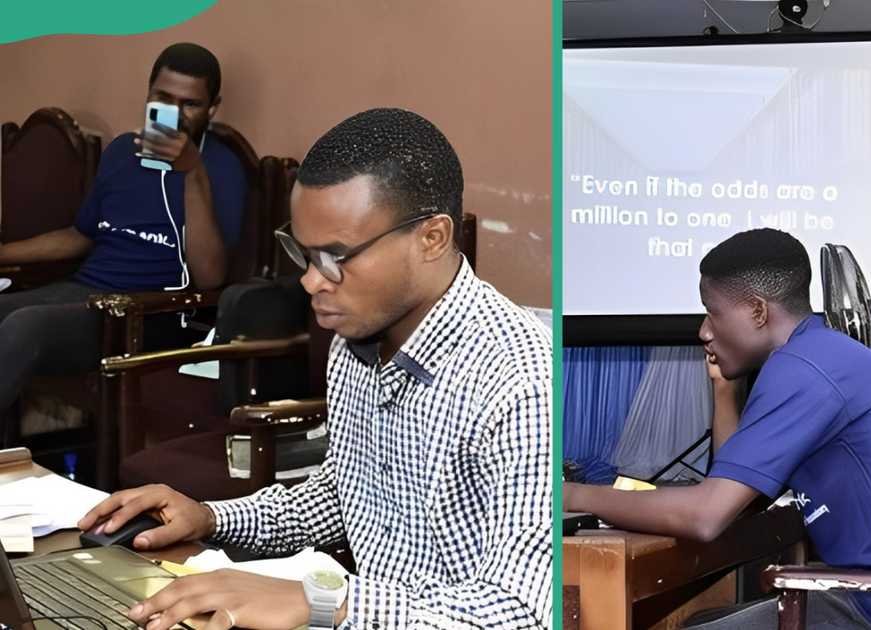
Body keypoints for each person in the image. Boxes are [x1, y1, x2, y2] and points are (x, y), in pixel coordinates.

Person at [79, 108, 552, 629]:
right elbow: (340, 499)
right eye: (303, 254)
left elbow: (523, 614)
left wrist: (324, 603)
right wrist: (210, 517)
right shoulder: (357, 339)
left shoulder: (520, 379)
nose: (311, 281)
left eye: (334, 257)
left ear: (432, 238)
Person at [564, 229, 871, 630]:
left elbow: (706, 516)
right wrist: (724, 391)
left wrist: (572, 496)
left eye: (712, 312)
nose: (703, 331)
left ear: (757, 311)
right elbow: (738, 495)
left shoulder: (802, 369)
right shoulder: (823, 354)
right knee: (702, 619)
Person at [0, 42, 246, 410]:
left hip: (148, 313)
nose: (174, 114)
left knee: (26, 326)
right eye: (163, 98)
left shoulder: (222, 168)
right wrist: (3, 254)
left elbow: (210, 277)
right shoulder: (121, 152)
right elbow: (81, 235)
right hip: (85, 292)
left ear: (212, 108)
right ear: (148, 94)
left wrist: (192, 173)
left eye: (190, 104)